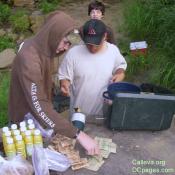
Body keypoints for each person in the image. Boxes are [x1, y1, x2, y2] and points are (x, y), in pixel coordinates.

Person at [8, 11, 99, 155]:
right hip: (25, 125)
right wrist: (78, 134)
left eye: (69, 44)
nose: (66, 48)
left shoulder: (45, 46)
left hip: (38, 117)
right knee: (30, 160)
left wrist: (56, 88)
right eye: (65, 42)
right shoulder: (29, 58)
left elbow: (40, 81)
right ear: (54, 34)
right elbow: (38, 104)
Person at [59, 19, 127, 120]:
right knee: (78, 129)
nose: (92, 48)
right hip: (78, 110)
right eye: (89, 43)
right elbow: (64, 76)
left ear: (104, 36)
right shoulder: (73, 53)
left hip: (103, 112)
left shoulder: (113, 50)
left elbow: (120, 66)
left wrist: (120, 73)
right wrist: (64, 84)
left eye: (96, 44)